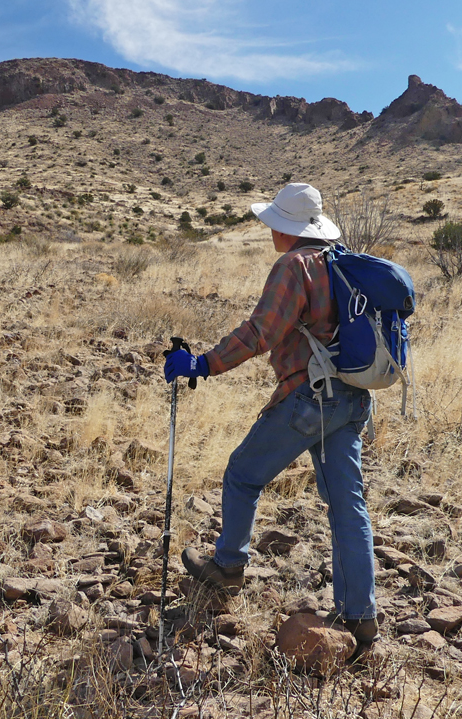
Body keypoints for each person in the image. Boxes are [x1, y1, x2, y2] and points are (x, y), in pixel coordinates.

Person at [163, 183, 377, 657]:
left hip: (310, 397)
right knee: (347, 504)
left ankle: (228, 569)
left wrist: (203, 364)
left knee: (242, 474)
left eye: (275, 224)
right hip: (353, 398)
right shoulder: (343, 263)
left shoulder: (294, 265)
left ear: (288, 227)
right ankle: (360, 617)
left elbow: (263, 331)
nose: (271, 232)